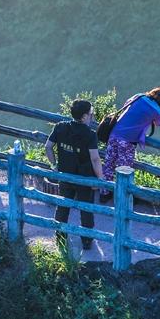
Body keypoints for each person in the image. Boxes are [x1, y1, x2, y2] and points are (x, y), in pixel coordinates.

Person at [46, 99, 103, 250]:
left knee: (63, 205)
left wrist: (54, 166)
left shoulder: (60, 127)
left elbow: (48, 147)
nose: (93, 116)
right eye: (91, 114)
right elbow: (95, 159)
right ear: (84, 117)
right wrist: (100, 179)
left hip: (65, 175)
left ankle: (60, 236)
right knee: (86, 209)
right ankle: (87, 240)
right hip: (84, 179)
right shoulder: (90, 135)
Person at [99, 87, 160, 202]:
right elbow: (159, 123)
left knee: (109, 164)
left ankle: (104, 193)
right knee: (124, 168)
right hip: (128, 140)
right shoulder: (158, 111)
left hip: (114, 133)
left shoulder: (139, 96)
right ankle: (122, 197)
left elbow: (126, 104)